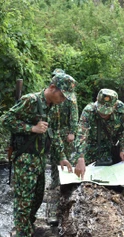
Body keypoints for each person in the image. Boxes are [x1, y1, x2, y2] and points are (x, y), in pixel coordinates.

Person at [3, 73, 76, 237]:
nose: (63, 100)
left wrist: (61, 158)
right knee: (24, 202)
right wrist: (31, 128)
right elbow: (6, 120)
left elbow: (52, 133)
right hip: (24, 159)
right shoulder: (30, 100)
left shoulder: (52, 107)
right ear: (52, 88)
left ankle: (28, 225)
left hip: (39, 159)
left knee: (37, 198)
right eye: (62, 95)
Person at [73, 88, 124, 178]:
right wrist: (80, 157)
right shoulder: (89, 111)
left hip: (109, 147)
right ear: (96, 100)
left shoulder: (121, 110)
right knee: (84, 175)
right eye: (101, 109)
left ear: (115, 105)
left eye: (107, 111)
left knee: (109, 178)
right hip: (90, 146)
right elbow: (81, 134)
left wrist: (123, 149)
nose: (104, 114)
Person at [47, 69, 79, 226]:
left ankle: (67, 207)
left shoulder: (70, 97)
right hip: (51, 137)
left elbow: (74, 113)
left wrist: (73, 131)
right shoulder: (49, 98)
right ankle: (52, 212)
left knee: (66, 172)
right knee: (54, 175)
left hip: (66, 138)